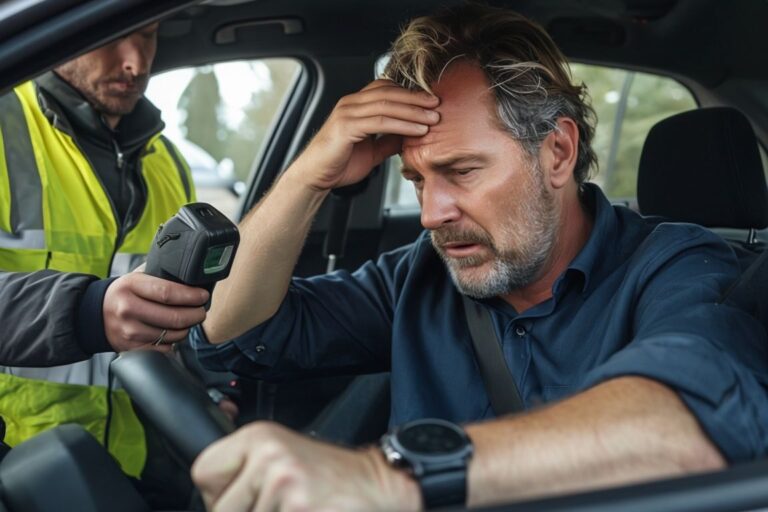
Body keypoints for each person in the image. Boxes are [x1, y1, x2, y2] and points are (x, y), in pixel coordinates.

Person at [189, 4, 768, 510]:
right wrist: (310, 175)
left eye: (461, 171)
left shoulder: (675, 263)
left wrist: (386, 478)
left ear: (558, 153)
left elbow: (698, 412)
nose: (431, 212)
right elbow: (233, 331)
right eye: (415, 179)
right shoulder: (423, 273)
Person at [0, 23, 209, 487]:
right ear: (59, 29)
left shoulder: (168, 162)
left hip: (137, 468)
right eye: (112, 35)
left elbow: (179, 313)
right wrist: (89, 311)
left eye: (151, 35)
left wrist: (200, 394)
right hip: (20, 462)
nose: (136, 62)